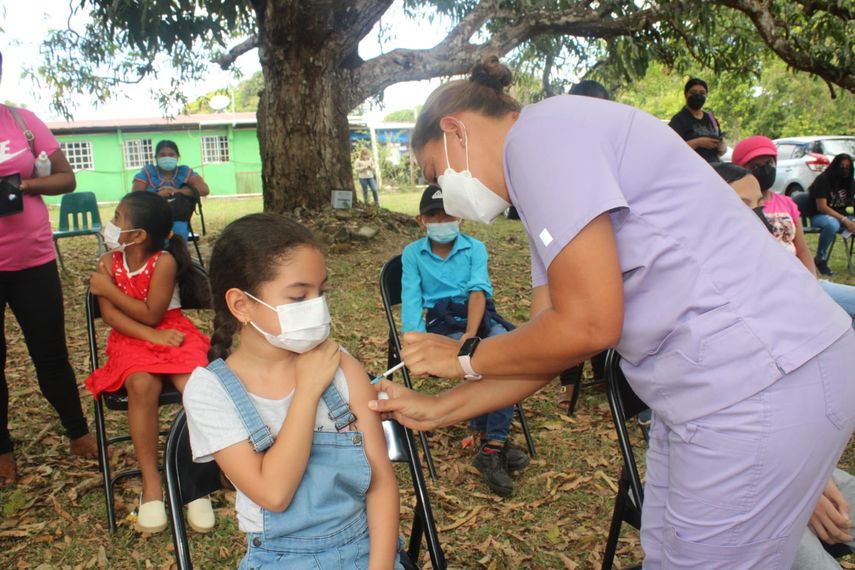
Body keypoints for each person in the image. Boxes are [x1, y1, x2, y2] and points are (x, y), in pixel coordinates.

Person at [369, 56, 855, 569]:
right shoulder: (543, 171)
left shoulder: (541, 141)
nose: (445, 193)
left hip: (756, 379)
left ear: (455, 131)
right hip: (720, 393)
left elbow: (590, 325)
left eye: (435, 172)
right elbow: (549, 344)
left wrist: (464, 355)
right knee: (667, 554)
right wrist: (441, 408)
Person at [182, 213, 403, 569]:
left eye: (322, 292)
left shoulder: (341, 364)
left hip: (367, 549)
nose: (318, 307)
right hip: (280, 559)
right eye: (299, 297)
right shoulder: (210, 391)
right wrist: (308, 391)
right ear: (241, 304)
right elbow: (274, 493)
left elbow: (381, 484)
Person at [713, 162, 855, 569]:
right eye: (742, 205)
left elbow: (798, 397)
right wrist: (802, 491)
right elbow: (722, 431)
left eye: (759, 204)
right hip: (736, 483)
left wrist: (815, 474)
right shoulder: (692, 303)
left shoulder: (762, 285)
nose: (758, 217)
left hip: (798, 465)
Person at [84, 191, 214, 534]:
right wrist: (147, 335)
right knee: (141, 384)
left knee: (195, 386)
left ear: (139, 235)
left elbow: (154, 314)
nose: (111, 225)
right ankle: (152, 481)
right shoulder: (108, 263)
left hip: (169, 330)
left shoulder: (164, 261)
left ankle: (193, 476)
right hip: (130, 337)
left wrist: (107, 290)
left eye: (117, 218)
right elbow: (111, 317)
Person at [0, 50, 97, 487]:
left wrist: (22, 185)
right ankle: (2, 451)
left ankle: (77, 432)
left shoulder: (22, 122)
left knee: (51, 353)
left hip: (32, 259)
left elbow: (66, 178)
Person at [402, 185, 529, 496]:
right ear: (421, 220)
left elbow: (477, 292)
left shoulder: (475, 248)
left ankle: (489, 442)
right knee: (488, 363)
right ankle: (492, 442)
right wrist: (415, 343)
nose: (441, 220)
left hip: (478, 317)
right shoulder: (412, 254)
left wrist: (471, 337)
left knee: (506, 355)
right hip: (442, 323)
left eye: (448, 214)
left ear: (462, 219)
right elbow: (410, 299)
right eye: (434, 215)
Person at [732, 136, 855, 323]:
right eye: (755, 166)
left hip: (802, 282)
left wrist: (812, 285)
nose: (765, 169)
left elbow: (803, 249)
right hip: (772, 293)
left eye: (769, 162)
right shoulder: (737, 206)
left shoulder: (786, 203)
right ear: (741, 169)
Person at [132, 140, 210, 241]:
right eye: (162, 155)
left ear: (177, 157)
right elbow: (135, 196)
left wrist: (178, 191)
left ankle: (177, 255)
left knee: (178, 233)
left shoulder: (184, 172)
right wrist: (157, 195)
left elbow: (204, 190)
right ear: (156, 158)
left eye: (171, 154)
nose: (167, 158)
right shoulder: (148, 172)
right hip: (151, 219)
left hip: (178, 217)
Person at [805, 154, 855, 276]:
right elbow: (822, 207)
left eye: (848, 167)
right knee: (832, 224)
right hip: (820, 216)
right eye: (841, 166)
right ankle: (820, 259)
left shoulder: (849, 182)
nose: (844, 169)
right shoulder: (823, 180)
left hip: (842, 216)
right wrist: (844, 220)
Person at [667, 77, 726, 163]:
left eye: (702, 93)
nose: (698, 96)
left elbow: (721, 146)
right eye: (693, 92)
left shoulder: (712, 119)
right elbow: (672, 149)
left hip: (714, 167)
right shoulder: (678, 120)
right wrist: (698, 142)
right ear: (686, 94)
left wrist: (722, 147)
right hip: (690, 168)